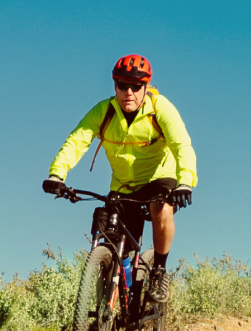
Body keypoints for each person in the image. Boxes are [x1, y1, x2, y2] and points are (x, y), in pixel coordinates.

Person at [42, 54, 197, 304]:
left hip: (160, 177)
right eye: (122, 86)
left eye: (136, 87)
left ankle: (158, 270)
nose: (129, 92)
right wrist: (57, 174)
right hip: (123, 186)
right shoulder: (103, 112)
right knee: (112, 242)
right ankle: (104, 313)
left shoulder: (160, 109)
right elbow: (76, 141)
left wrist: (185, 182)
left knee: (162, 211)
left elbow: (182, 145)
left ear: (146, 88)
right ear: (114, 86)